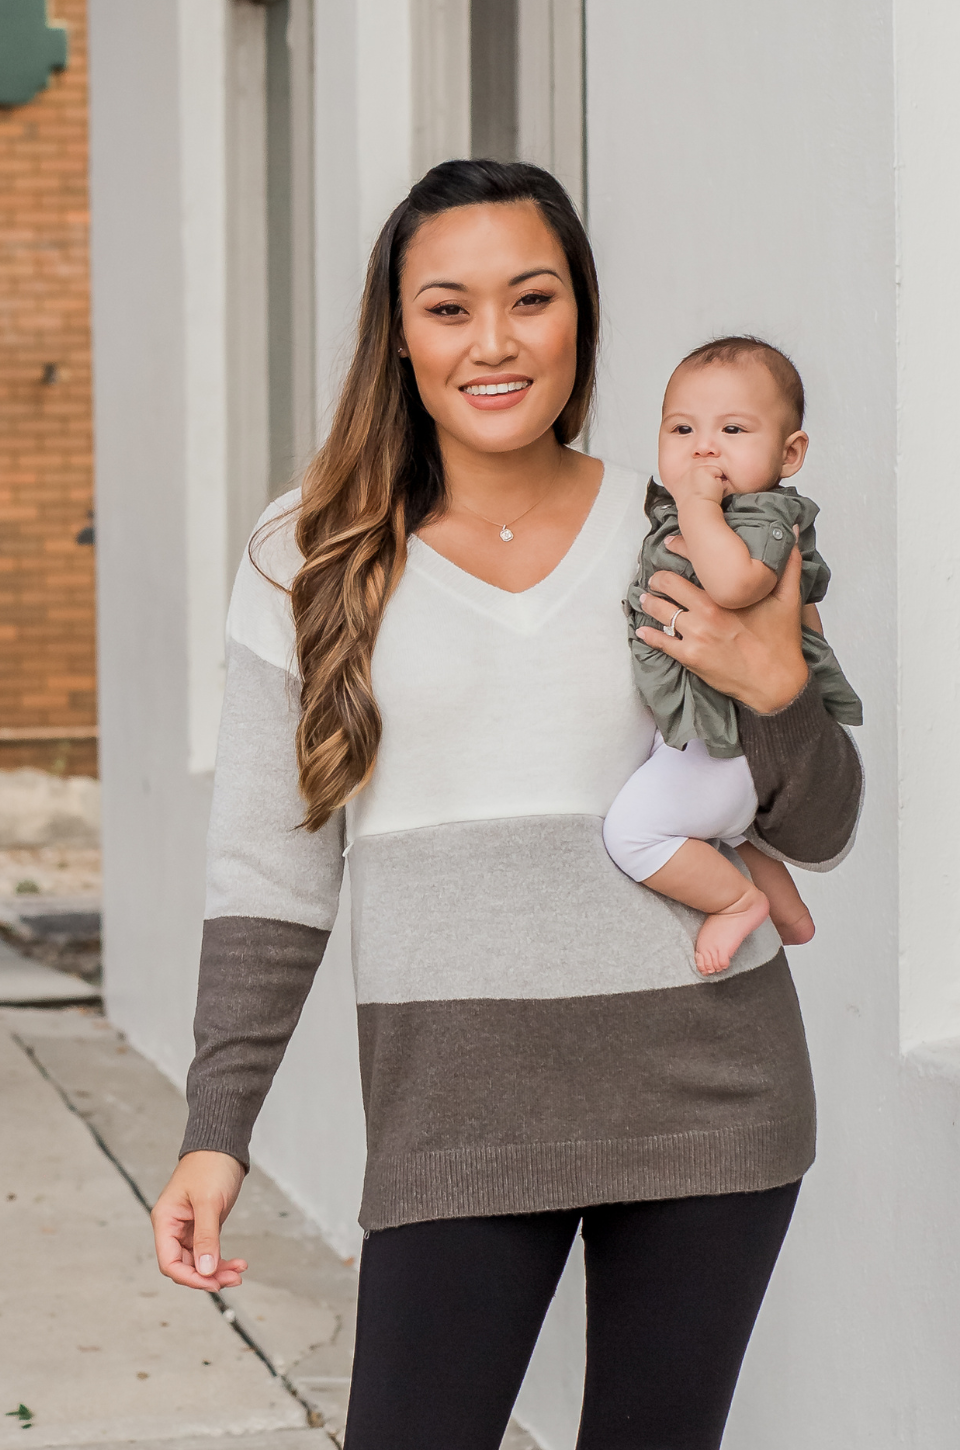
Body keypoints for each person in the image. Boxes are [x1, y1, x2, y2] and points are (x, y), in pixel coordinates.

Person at [149, 160, 863, 1450]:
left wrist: (782, 690)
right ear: (399, 330)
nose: (493, 342)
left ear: (579, 316)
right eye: (447, 307)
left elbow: (817, 827)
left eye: (531, 298)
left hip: (712, 1091)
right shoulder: (307, 553)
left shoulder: (687, 533)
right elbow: (270, 866)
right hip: (455, 1109)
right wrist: (219, 1125)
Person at [603, 337, 862, 975]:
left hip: (735, 737)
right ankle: (787, 909)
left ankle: (740, 901)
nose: (704, 447)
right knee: (726, 824)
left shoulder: (759, 517)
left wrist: (695, 508)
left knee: (635, 833)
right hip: (709, 732)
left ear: (789, 452)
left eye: (734, 428)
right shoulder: (689, 510)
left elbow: (734, 585)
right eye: (682, 428)